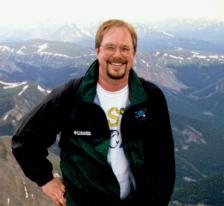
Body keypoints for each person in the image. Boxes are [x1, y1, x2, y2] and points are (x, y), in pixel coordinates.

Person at [12, 19, 175, 206]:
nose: (117, 55)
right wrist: (45, 180)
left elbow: (164, 163)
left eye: (124, 48)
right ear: (97, 51)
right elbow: (24, 141)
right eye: (110, 47)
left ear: (133, 54)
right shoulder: (71, 95)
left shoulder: (150, 98)